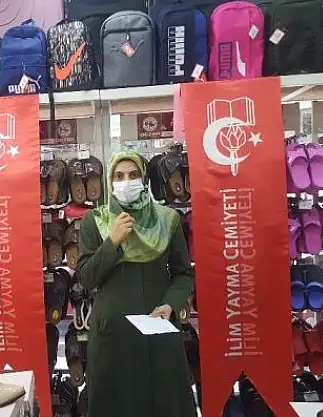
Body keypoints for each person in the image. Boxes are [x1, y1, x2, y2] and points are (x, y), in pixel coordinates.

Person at [76, 150, 197, 417]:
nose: (126, 181)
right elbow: (86, 277)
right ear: (110, 182)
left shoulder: (167, 220)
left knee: (164, 403)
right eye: (118, 176)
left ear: (144, 179)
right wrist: (112, 241)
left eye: (133, 175)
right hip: (113, 336)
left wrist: (171, 304)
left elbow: (183, 273)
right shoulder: (94, 221)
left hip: (159, 329)